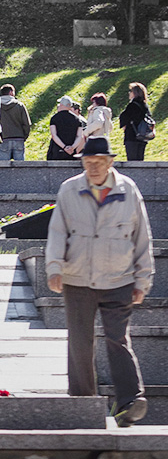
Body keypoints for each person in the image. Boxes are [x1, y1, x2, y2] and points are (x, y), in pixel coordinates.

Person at [46, 136, 154, 428]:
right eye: (87, 163)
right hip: (77, 278)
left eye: (98, 163)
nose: (92, 168)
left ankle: (129, 402)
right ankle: (83, 403)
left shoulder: (127, 190)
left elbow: (141, 236)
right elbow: (57, 231)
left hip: (119, 278)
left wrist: (143, 279)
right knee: (80, 341)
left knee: (117, 339)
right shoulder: (70, 189)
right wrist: (54, 267)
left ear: (110, 163)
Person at [118, 82, 152, 162]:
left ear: (135, 93)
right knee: (140, 160)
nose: (129, 93)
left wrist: (124, 125)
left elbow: (124, 117)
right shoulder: (144, 105)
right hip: (143, 136)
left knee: (132, 161)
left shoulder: (132, 105)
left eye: (131, 91)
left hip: (132, 136)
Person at [0, 84, 32, 161]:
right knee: (20, 168)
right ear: (11, 92)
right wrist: (24, 136)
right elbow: (27, 124)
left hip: (3, 138)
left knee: (3, 168)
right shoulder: (19, 105)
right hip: (18, 138)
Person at [48, 96, 84, 160]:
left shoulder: (54, 118)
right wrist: (72, 147)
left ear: (61, 104)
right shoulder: (77, 119)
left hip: (57, 151)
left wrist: (64, 147)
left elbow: (54, 135)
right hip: (72, 152)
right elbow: (79, 136)